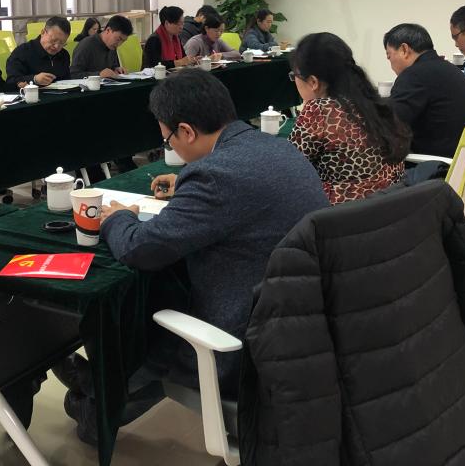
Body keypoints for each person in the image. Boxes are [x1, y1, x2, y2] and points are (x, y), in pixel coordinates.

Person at [60, 70, 328, 444]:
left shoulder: (215, 176)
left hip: (241, 345)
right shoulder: (277, 147)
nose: (170, 145)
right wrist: (187, 182)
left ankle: (92, 392)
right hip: (301, 328)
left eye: (167, 139)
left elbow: (139, 249)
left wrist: (117, 217)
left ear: (186, 131)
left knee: (144, 316)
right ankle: (93, 387)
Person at [289, 33, 410, 204]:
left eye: (294, 75)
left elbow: (289, 170)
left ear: (313, 82)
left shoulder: (319, 111)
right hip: (390, 208)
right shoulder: (373, 102)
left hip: (341, 214)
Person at [384, 23, 465, 158]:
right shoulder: (447, 68)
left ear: (404, 49)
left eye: (389, 56)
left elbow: (389, 126)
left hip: (439, 163)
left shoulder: (414, 76)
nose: (391, 65)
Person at [5, 16, 71, 88]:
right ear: (43, 32)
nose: (56, 46)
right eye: (53, 40)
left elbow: (67, 81)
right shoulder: (22, 52)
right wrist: (34, 79)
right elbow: (11, 81)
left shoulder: (63, 54)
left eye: (62, 43)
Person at [70, 14, 133, 79]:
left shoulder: (112, 46)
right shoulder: (86, 45)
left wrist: (117, 69)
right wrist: (98, 74)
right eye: (118, 39)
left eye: (123, 41)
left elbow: (113, 67)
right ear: (108, 30)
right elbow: (73, 74)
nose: (119, 44)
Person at [141, 6, 196, 70]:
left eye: (182, 23)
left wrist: (191, 60)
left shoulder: (176, 38)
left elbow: (183, 58)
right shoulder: (154, 40)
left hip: (173, 74)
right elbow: (154, 65)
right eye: (178, 24)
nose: (181, 27)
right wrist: (178, 62)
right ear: (167, 23)